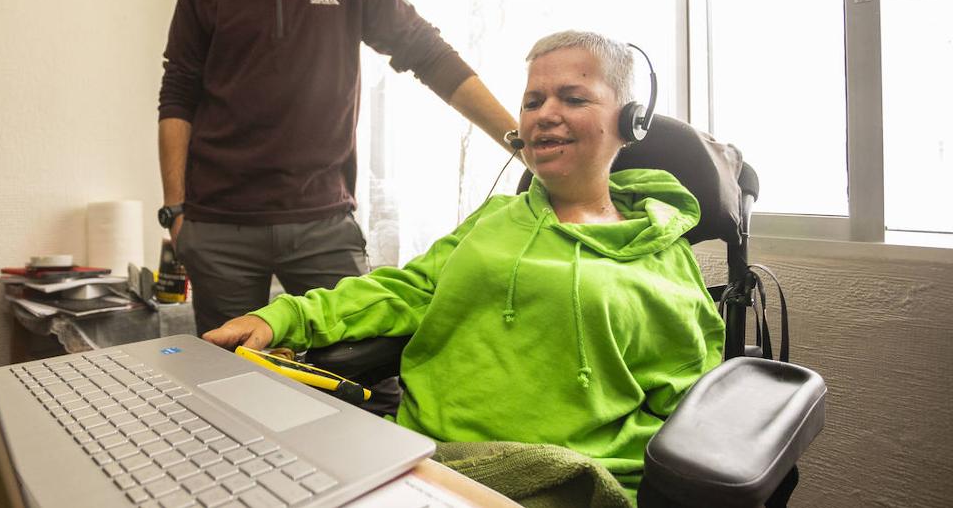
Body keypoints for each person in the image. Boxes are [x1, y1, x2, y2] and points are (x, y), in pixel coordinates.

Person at [203, 30, 726, 498]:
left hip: (564, 477)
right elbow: (404, 291)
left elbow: (687, 407)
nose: (545, 113)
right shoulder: (493, 219)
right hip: (421, 460)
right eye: (533, 100)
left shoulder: (661, 251)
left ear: (630, 120)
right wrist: (278, 317)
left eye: (573, 98)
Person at [158, 0, 517, 335]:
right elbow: (178, 94)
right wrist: (175, 212)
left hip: (323, 224)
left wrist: (518, 139)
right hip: (220, 228)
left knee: (360, 371)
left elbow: (428, 54)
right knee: (232, 383)